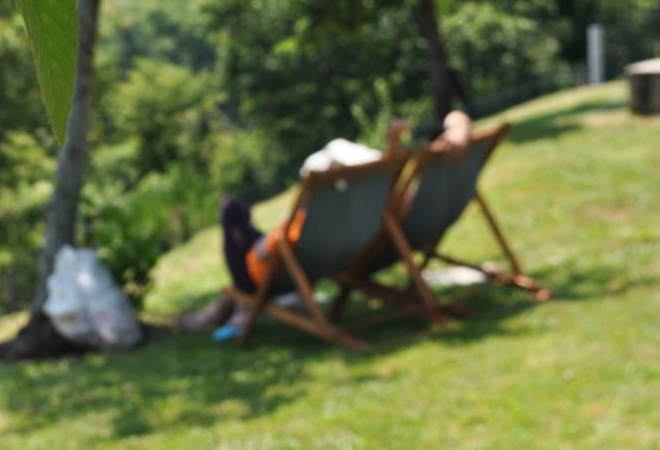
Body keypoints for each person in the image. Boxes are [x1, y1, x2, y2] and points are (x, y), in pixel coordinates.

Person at [176, 112, 472, 338]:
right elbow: (450, 122)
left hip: (276, 270)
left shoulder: (352, 216)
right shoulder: (396, 207)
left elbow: (266, 253)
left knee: (231, 212)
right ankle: (230, 311)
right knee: (236, 214)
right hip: (335, 254)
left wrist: (275, 239)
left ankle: (235, 310)